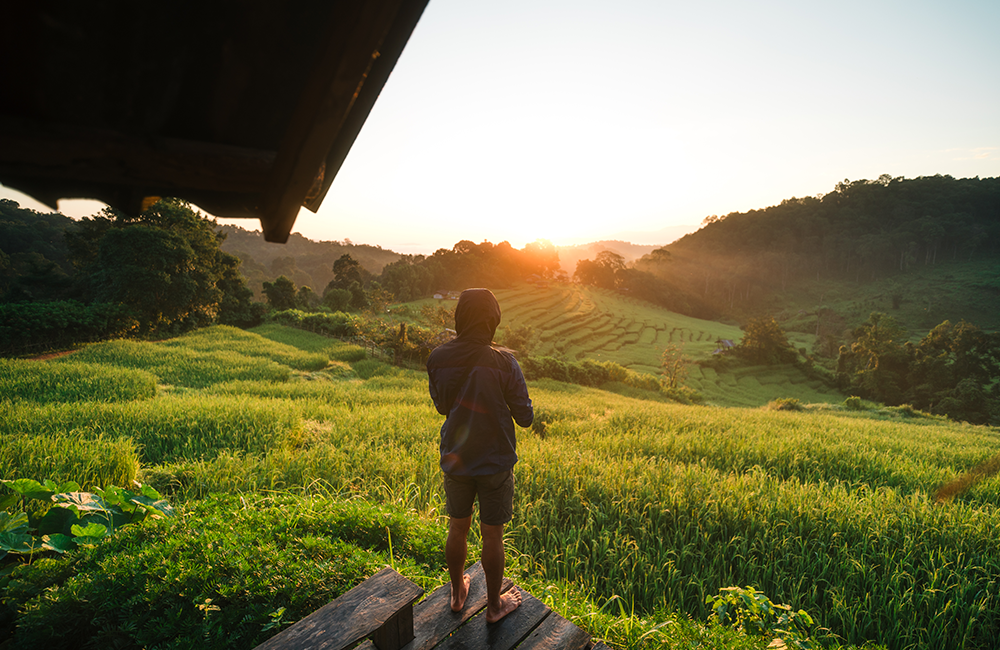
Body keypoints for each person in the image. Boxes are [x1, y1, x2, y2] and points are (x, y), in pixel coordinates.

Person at [426, 288, 533, 623]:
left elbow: (442, 406)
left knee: (457, 527)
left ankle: (458, 593)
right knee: (493, 535)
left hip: (456, 457)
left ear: (460, 317)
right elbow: (525, 417)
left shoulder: (438, 358)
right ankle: (495, 606)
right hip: (495, 460)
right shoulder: (505, 363)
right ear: (493, 320)